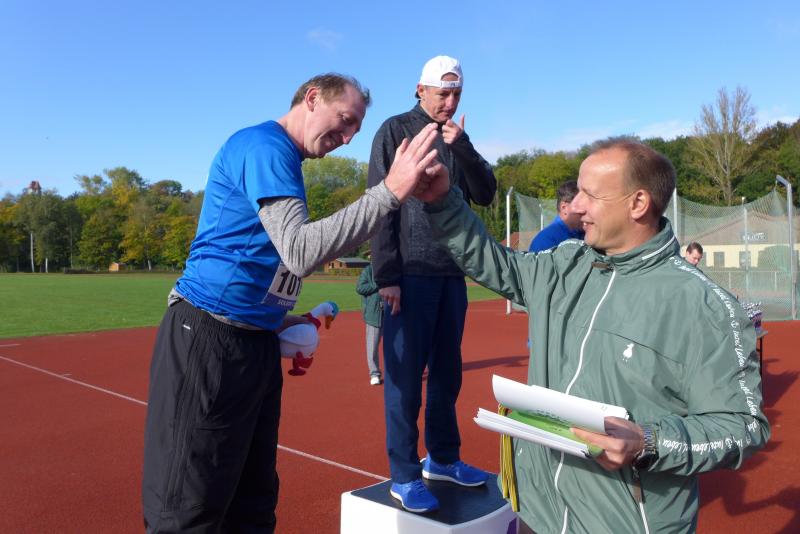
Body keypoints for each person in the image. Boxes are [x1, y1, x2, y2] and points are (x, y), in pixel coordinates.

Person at [142, 73, 446, 533]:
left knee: (252, 503)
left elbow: (257, 257)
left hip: (251, 343)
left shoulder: (284, 160)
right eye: (345, 120)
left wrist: (279, 321)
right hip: (208, 340)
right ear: (312, 98)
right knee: (188, 508)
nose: (347, 138)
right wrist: (389, 192)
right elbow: (299, 251)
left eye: (355, 130)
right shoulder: (265, 147)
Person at [417, 139, 769, 533]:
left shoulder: (705, 306)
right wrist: (443, 202)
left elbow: (743, 427)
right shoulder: (566, 264)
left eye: (590, 194)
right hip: (537, 512)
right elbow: (495, 264)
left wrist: (649, 442)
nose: (576, 206)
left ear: (638, 203)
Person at [367, 55, 497, 513]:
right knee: (404, 380)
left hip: (451, 272)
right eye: (443, 93)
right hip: (409, 274)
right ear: (420, 90)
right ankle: (403, 475)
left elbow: (486, 193)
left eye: (456, 93)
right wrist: (387, 275)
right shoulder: (395, 130)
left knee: (447, 375)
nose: (450, 101)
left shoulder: (456, 137)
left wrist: (463, 147)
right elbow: (379, 203)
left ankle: (442, 458)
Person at [528, 180, 584, 252]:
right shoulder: (546, 241)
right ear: (564, 208)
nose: (587, 212)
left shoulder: (584, 234)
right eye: (582, 207)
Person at [356, 262, 383, 385]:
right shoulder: (368, 270)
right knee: (372, 346)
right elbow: (360, 288)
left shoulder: (393, 270)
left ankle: (395, 373)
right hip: (374, 314)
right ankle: (374, 373)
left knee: (396, 346)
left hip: (392, 314)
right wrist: (377, 284)